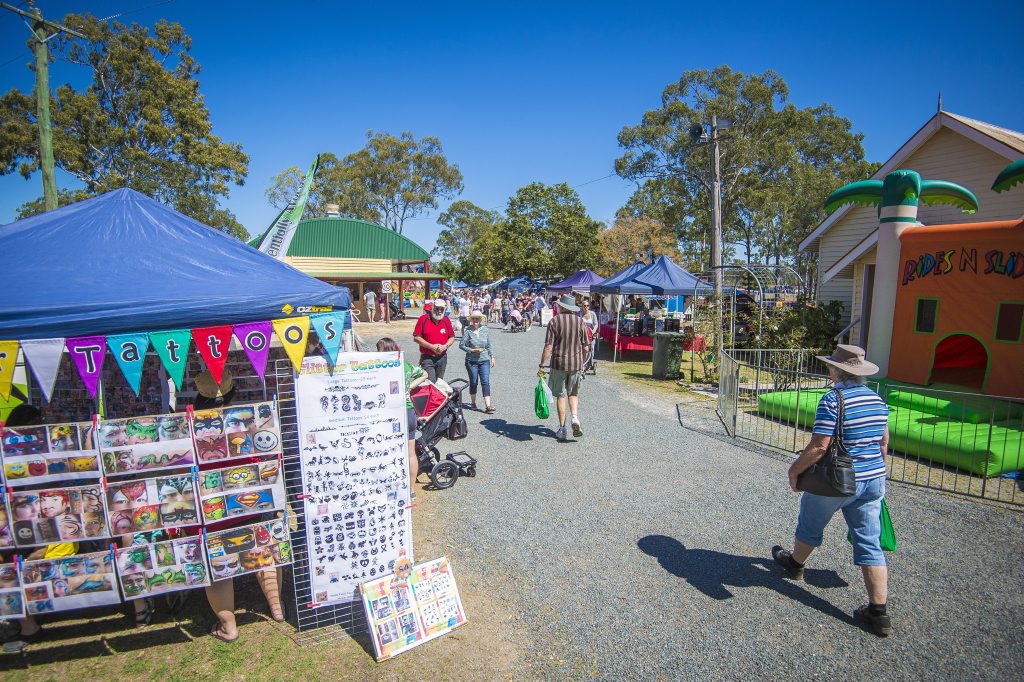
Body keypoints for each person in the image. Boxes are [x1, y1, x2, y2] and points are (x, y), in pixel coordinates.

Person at [771, 344, 893, 637]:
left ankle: (796, 563)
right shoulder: (877, 399)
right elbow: (884, 442)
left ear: (836, 370)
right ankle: (878, 612)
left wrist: (794, 471)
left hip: (838, 479)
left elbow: (819, 446)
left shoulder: (833, 399)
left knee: (811, 522)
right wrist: (876, 470)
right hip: (873, 478)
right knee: (869, 540)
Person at [193, 371, 285, 643]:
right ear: (233, 393)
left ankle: (229, 627)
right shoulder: (246, 420)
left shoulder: (191, 424)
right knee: (263, 548)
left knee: (219, 561)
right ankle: (277, 609)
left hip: (214, 506)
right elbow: (265, 450)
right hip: (252, 498)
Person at [376, 338, 427, 498]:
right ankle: (411, 489)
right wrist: (411, 386)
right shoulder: (405, 366)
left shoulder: (378, 369)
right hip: (408, 411)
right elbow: (424, 374)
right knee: (410, 452)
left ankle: (391, 487)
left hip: (390, 413)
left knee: (388, 452)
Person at [538, 294, 590, 441]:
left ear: (561, 306)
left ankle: (562, 428)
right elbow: (586, 347)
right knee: (573, 393)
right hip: (576, 364)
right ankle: (574, 417)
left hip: (558, 364)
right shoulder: (580, 322)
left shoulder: (554, 321)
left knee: (561, 395)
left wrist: (542, 364)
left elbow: (548, 346)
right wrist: (583, 362)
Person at [459, 310, 495, 413]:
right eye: (473, 318)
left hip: (484, 360)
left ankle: (488, 406)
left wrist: (492, 357)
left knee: (485, 382)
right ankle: (473, 402)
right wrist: (471, 350)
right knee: (474, 382)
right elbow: (461, 345)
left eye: (477, 319)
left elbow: (488, 345)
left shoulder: (485, 330)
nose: (475, 320)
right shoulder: (468, 331)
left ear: (480, 320)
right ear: (471, 320)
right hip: (471, 361)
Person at [412, 299, 455, 382]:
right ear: (433, 308)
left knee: (439, 383)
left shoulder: (446, 320)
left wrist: (445, 346)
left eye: (441, 309)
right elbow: (416, 337)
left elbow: (452, 337)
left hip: (442, 357)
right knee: (430, 382)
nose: (439, 311)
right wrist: (431, 347)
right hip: (427, 358)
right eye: (437, 308)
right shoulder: (423, 319)